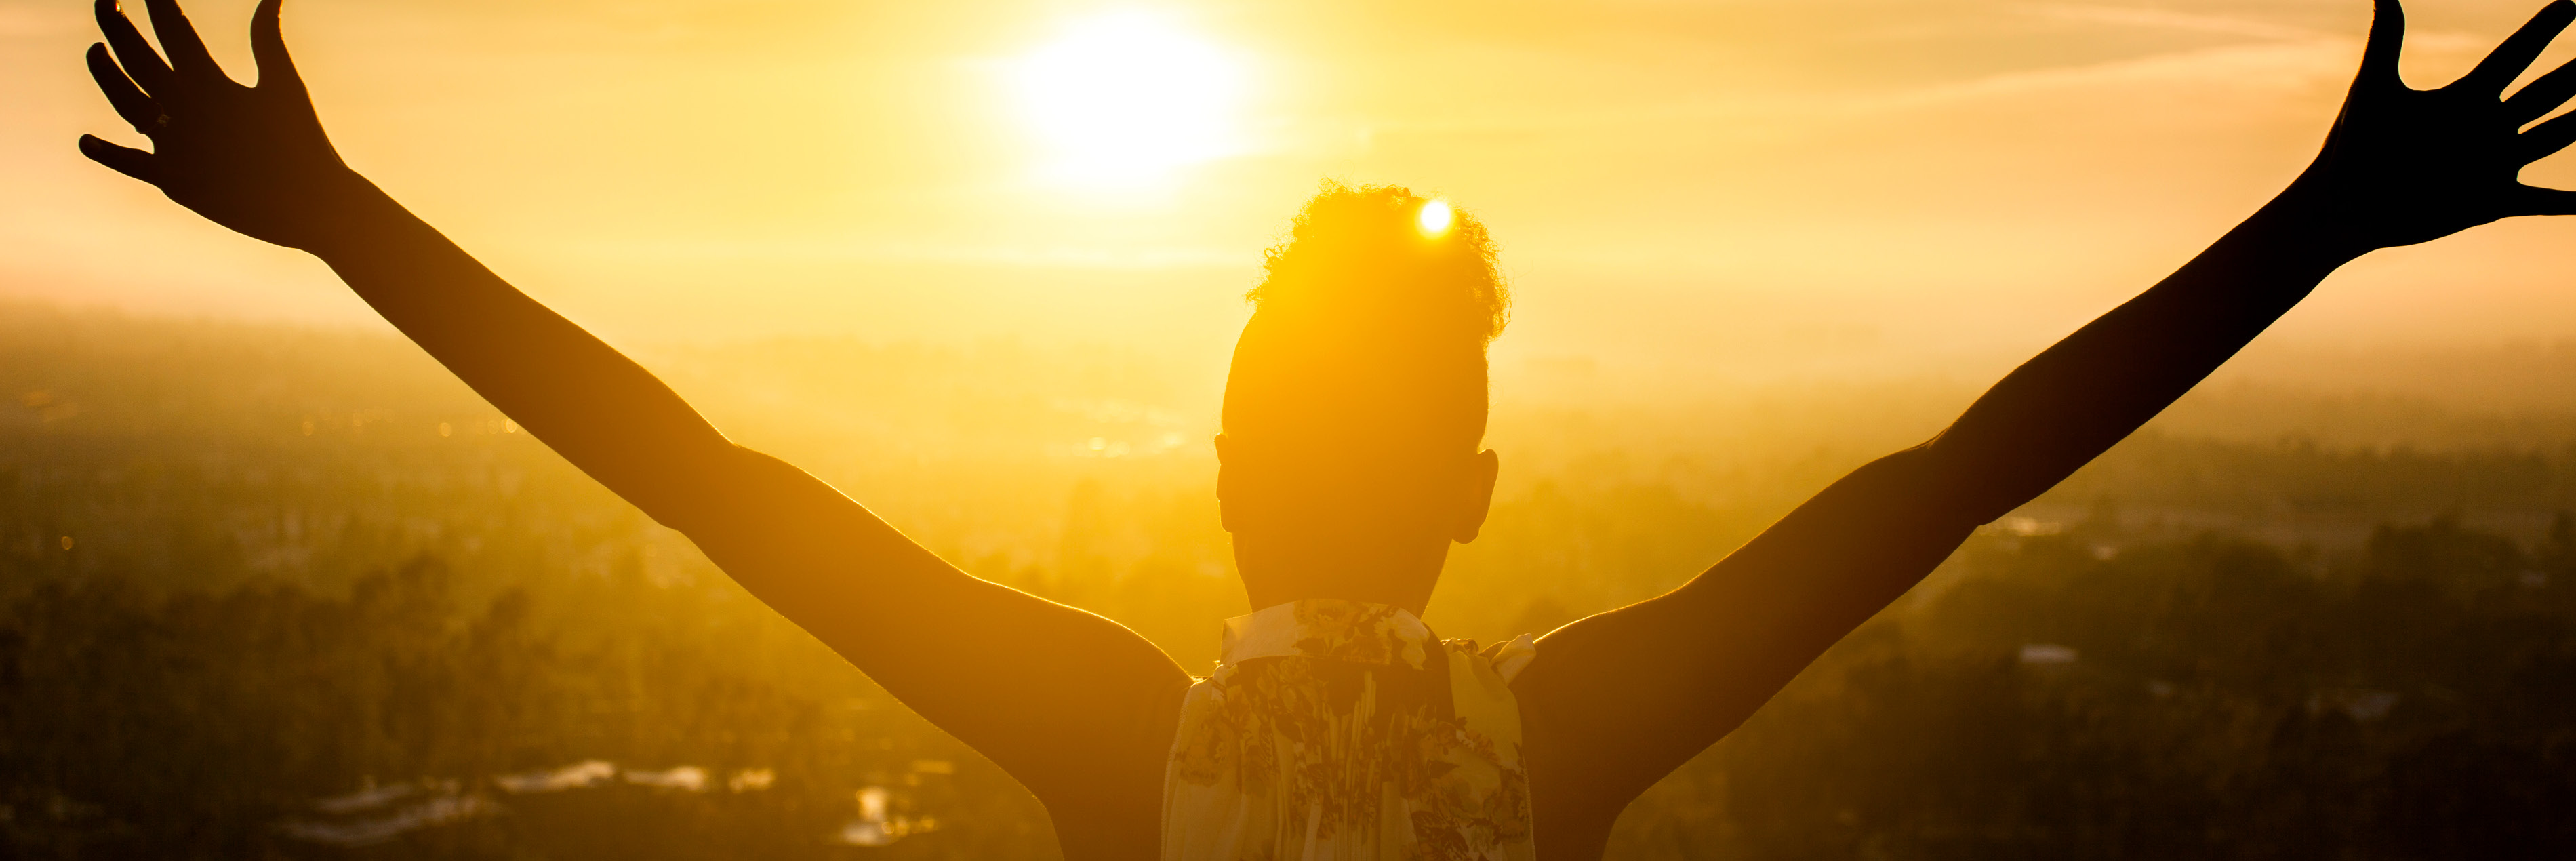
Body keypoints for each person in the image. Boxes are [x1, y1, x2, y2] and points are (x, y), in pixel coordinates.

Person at [73, 0, 2576, 857]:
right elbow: (1966, 474)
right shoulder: (1570, 724)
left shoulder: (1102, 727)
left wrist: (346, 221)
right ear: (1481, 493)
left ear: (1220, 468)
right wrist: (2320, 219)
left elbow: (691, 473)